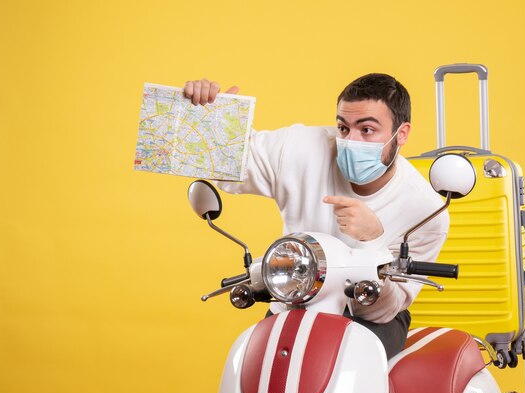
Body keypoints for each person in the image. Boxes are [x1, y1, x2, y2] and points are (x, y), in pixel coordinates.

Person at [184, 74, 449, 359]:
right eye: (343, 128)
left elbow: (386, 308)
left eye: (367, 130)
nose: (350, 141)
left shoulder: (426, 211)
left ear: (403, 133)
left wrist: (373, 241)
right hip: (294, 301)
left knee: (348, 365)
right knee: (259, 362)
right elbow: (227, 164)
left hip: (368, 317)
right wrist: (205, 116)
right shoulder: (300, 149)